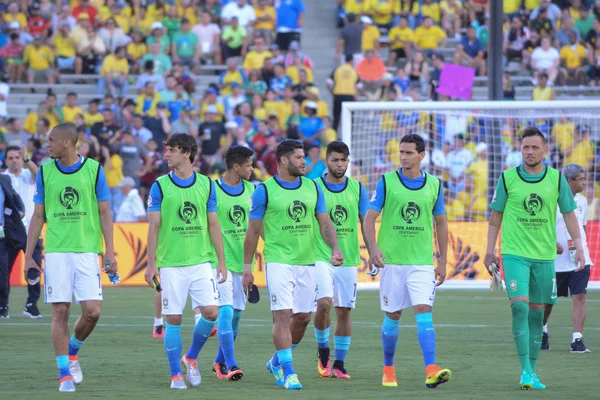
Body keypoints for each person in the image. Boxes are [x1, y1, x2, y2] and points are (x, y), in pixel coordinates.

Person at [484, 127, 585, 390]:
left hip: (544, 257)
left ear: (544, 150)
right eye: (525, 147)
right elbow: (495, 217)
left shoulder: (557, 179)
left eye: (534, 147)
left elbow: (569, 215)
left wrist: (580, 248)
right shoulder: (507, 178)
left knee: (537, 317)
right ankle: (525, 371)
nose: (529, 152)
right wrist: (488, 250)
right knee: (519, 306)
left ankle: (533, 370)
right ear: (521, 149)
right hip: (514, 254)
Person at [242, 139, 343, 390]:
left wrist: (335, 248)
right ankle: (288, 372)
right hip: (278, 261)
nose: (304, 162)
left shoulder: (313, 188)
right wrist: (246, 267)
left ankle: (276, 361)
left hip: (307, 262)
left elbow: (325, 223)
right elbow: (253, 232)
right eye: (299, 157)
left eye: (304, 157)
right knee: (282, 315)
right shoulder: (264, 191)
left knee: (302, 318)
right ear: (284, 160)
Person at [24, 123, 117, 392]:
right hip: (55, 251)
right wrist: (29, 256)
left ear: (67, 143)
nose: (47, 145)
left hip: (87, 251)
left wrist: (109, 250)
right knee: (60, 311)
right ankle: (64, 373)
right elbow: (38, 216)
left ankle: (73, 351)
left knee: (93, 312)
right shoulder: (44, 171)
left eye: (51, 140)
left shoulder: (94, 169)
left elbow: (104, 214)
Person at [364, 133, 450, 389]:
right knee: (393, 315)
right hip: (392, 262)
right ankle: (388, 369)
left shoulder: (434, 184)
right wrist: (373, 249)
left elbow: (442, 223)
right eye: (401, 152)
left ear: (422, 155)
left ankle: (431, 369)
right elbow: (369, 219)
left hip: (422, 262)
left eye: (409, 152)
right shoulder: (387, 182)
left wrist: (443, 261)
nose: (403, 156)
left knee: (424, 311)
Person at [144, 133, 227, 390]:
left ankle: (190, 358)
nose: (166, 154)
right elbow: (153, 227)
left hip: (201, 261)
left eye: (171, 150)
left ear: (187, 153)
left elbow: (214, 224)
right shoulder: (159, 186)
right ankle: (175, 374)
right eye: (166, 149)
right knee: (174, 320)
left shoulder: (207, 184)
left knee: (212, 313)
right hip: (171, 264)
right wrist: (151, 263)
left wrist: (221, 261)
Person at [313, 141, 368, 379]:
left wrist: (373, 251)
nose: (339, 164)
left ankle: (339, 363)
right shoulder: (313, 187)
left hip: (348, 258)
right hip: (320, 256)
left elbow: (366, 222)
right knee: (324, 303)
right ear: (326, 161)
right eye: (335, 159)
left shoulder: (358, 188)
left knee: (344, 310)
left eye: (343, 160)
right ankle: (323, 352)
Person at [208, 146, 255, 381]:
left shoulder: (252, 190)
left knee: (236, 317)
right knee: (225, 312)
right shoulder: (212, 190)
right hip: (219, 262)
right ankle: (232, 364)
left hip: (243, 262)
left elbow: (258, 226)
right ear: (236, 166)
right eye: (249, 165)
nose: (252, 169)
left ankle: (219, 362)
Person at [543, 164, 593, 353]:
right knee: (548, 301)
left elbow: (583, 227)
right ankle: (542, 331)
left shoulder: (581, 201)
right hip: (555, 260)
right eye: (580, 179)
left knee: (580, 296)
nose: (584, 182)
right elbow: (542, 226)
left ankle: (577, 339)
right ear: (569, 181)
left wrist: (582, 249)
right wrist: (551, 242)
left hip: (579, 259)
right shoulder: (550, 200)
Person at [1, 146, 43, 318]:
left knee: (34, 269)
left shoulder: (28, 174)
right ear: (5, 161)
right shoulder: (3, 178)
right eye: (10, 158)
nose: (14, 160)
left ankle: (31, 305)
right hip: (9, 232)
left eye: (17, 157)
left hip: (31, 230)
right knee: (3, 271)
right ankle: (2, 306)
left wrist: (27, 160)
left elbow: (40, 176)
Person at [0, 169, 26, 319]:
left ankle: (2, 306)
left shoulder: (5, 180)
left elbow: (16, 200)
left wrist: (19, 212)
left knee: (3, 276)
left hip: (2, 237)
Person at [327, 54, 359, 131]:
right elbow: (359, 86)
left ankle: (334, 136)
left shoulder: (337, 69)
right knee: (349, 118)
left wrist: (332, 92)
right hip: (349, 96)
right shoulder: (354, 71)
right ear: (352, 61)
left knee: (336, 117)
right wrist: (356, 96)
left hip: (338, 95)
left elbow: (328, 83)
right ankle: (349, 137)